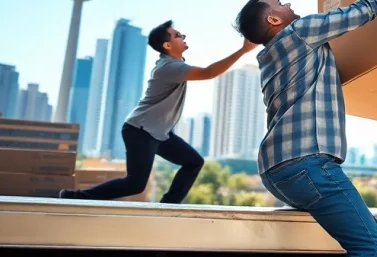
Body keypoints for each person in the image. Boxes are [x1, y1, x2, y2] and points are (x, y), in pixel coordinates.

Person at [234, 0, 377, 257]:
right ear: (274, 20)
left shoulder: (270, 59)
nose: (287, 3)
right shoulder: (300, 31)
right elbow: (357, 13)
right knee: (369, 246)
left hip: (277, 174)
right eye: (279, 3)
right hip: (308, 163)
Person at [59, 21, 257, 203]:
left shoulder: (174, 66)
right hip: (140, 130)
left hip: (158, 133)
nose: (183, 36)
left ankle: (168, 206)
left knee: (193, 162)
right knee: (135, 184)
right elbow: (208, 73)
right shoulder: (168, 67)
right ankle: (74, 197)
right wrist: (243, 50)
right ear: (167, 46)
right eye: (177, 35)